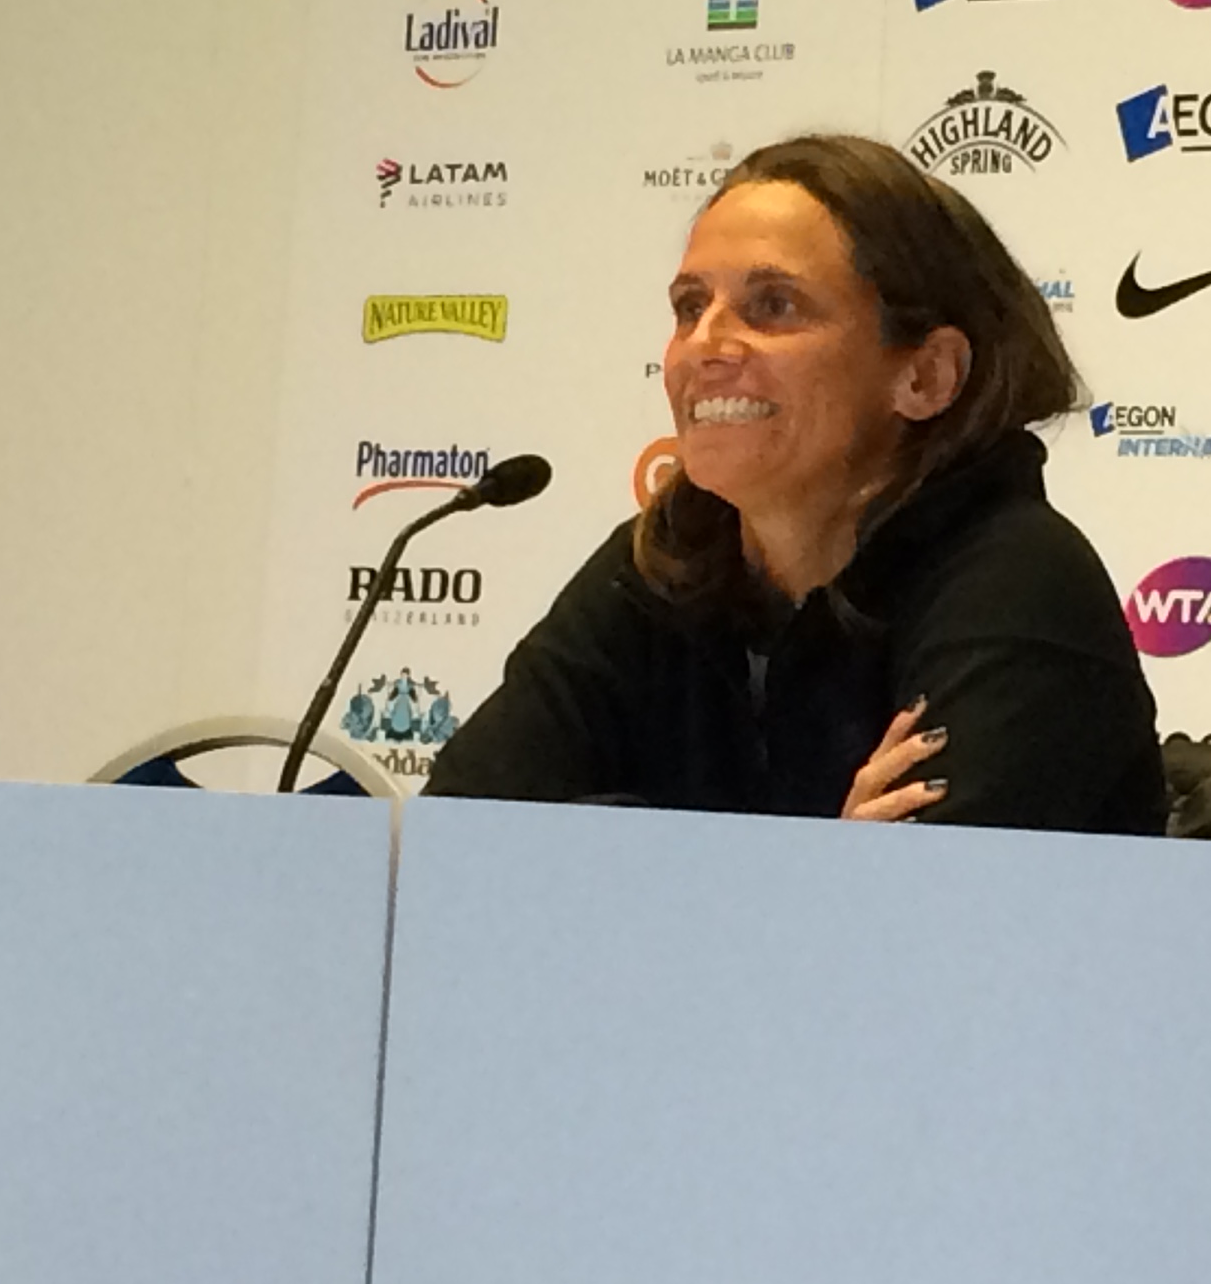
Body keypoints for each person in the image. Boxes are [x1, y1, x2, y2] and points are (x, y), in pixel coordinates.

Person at [425, 133, 1166, 834]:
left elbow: (921, 911)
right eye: (690, 307)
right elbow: (459, 836)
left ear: (925, 376)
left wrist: (614, 849)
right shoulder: (663, 560)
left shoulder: (1019, 582)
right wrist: (813, 861)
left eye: (773, 306)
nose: (705, 345)